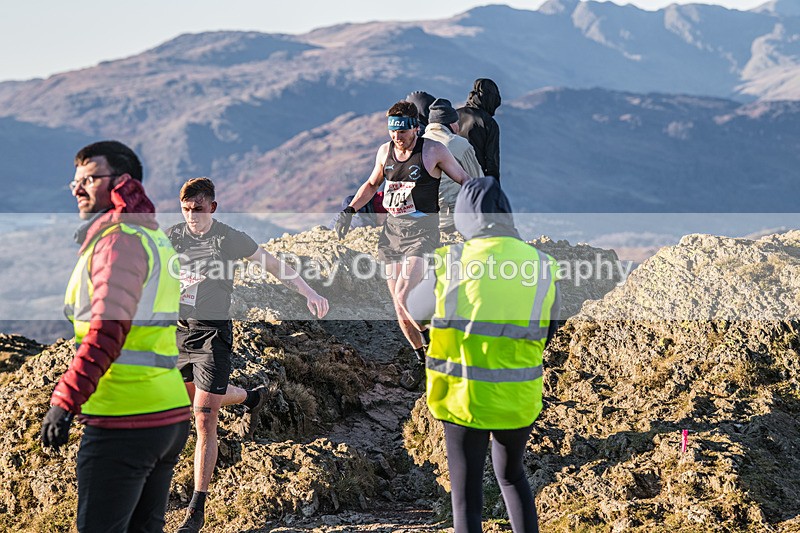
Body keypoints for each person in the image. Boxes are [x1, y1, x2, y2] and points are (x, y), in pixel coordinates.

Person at [40, 140, 191, 532]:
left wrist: (65, 399)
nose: (77, 189)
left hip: (125, 419)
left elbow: (108, 330)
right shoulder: (150, 235)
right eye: (74, 181)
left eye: (89, 179)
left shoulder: (120, 241)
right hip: (166, 413)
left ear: (121, 182)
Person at [168, 177, 328, 533]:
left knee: (204, 417)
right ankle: (250, 397)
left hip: (213, 336)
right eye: (185, 209)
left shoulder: (228, 238)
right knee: (190, 402)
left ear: (212, 207)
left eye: (197, 209)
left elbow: (271, 264)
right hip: (179, 336)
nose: (191, 216)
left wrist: (307, 292)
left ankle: (197, 508)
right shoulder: (173, 236)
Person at [405, 177, 560, 533]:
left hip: (463, 398)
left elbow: (416, 309)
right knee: (511, 477)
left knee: (466, 494)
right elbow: (549, 327)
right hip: (518, 397)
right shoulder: (541, 264)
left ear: (463, 218)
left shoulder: (451, 261)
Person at [333, 100, 471, 391]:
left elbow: (464, 179)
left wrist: (482, 207)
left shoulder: (433, 151)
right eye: (393, 131)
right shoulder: (385, 152)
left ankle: (436, 343)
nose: (397, 137)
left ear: (416, 128)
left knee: (405, 294)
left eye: (403, 132)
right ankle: (424, 360)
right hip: (392, 234)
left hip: (422, 233)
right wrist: (350, 211)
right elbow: (372, 185)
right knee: (399, 307)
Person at [423, 98, 484, 232]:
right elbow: (478, 181)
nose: (459, 127)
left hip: (421, 220)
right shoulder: (457, 143)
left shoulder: (418, 145)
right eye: (457, 122)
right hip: (450, 221)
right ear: (451, 123)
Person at [457, 78, 502, 181]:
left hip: (450, 175)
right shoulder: (488, 122)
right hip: (475, 180)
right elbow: (492, 161)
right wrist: (493, 187)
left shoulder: (453, 115)